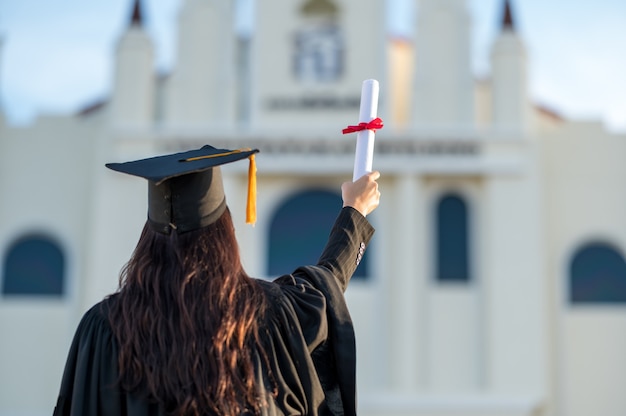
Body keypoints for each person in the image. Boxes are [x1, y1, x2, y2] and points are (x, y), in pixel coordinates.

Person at [53, 144, 380, 416]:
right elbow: (324, 287)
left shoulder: (103, 328)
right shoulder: (265, 314)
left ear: (148, 238)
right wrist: (355, 209)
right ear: (225, 235)